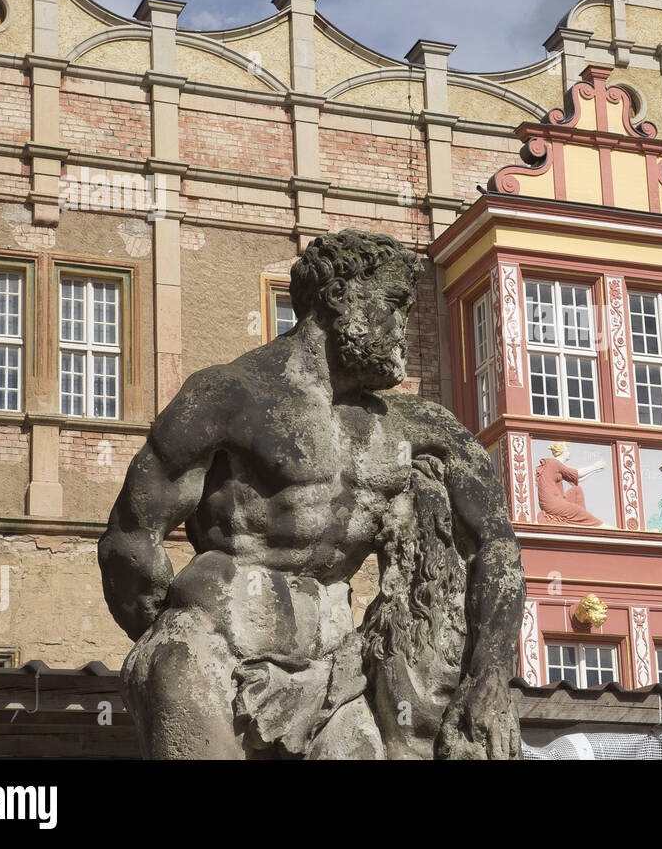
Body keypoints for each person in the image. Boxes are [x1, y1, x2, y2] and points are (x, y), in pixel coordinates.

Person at [98, 230, 525, 760]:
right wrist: (171, 629)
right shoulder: (229, 396)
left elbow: (497, 548)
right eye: (394, 306)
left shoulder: (418, 426)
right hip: (212, 654)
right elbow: (131, 539)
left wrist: (489, 677)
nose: (402, 331)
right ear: (341, 297)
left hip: (334, 677)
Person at [535, 442, 607, 527]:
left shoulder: (554, 465)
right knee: (578, 511)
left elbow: (577, 479)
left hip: (558, 500)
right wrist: (595, 466)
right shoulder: (554, 463)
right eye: (567, 451)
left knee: (576, 490)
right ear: (563, 452)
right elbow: (576, 474)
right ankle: (600, 526)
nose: (569, 454)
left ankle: (582, 523)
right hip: (553, 504)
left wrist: (595, 470)